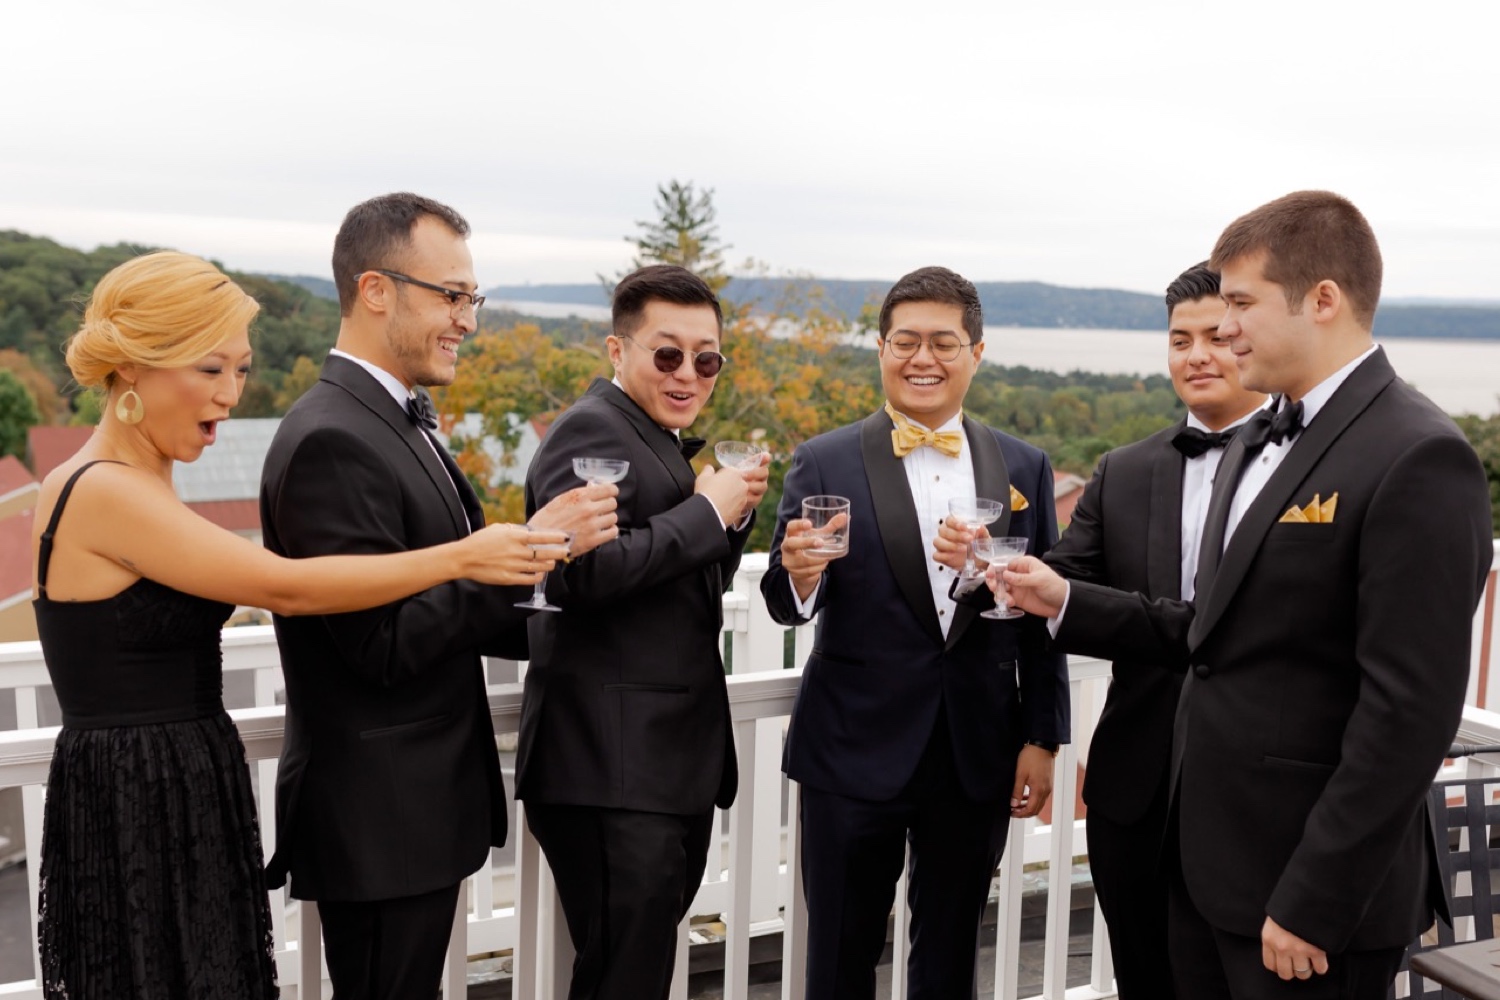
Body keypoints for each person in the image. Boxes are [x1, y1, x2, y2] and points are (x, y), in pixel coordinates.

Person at [30, 250, 578, 1000]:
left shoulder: (142, 477)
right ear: (133, 367)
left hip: (181, 775)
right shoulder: (102, 490)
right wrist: (462, 558)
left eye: (242, 371)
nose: (229, 395)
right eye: (209, 369)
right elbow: (283, 585)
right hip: (140, 790)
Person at [1000, 191, 1494, 999]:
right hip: (1203, 870)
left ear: (1324, 299)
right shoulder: (1263, 441)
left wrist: (1314, 901)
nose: (1223, 330)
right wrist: (1062, 600)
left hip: (1302, 896)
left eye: (1239, 303)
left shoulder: (1419, 455)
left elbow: (1408, 712)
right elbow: (1211, 633)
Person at [258, 193, 619, 1000]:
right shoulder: (329, 437)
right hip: (379, 813)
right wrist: (531, 556)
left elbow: (448, 588)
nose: (468, 318)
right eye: (452, 295)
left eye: (472, 298)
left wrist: (549, 569)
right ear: (376, 290)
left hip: (414, 809)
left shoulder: (390, 420)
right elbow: (379, 643)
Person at [760, 266, 1071, 999]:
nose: (922, 359)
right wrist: (801, 574)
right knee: (840, 956)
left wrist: (1042, 736)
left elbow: (1041, 620)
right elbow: (783, 596)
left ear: (977, 352)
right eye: (905, 342)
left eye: (943, 343)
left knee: (952, 952)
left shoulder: (1023, 464)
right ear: (880, 348)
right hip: (851, 751)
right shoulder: (824, 459)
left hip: (975, 752)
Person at [516, 263, 768, 1000]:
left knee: (637, 972)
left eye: (706, 358)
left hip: (655, 767)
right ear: (616, 352)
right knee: (623, 978)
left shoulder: (653, 433)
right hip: (610, 766)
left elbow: (686, 585)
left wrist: (732, 517)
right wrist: (706, 513)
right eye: (667, 354)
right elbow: (578, 577)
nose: (688, 372)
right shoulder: (593, 431)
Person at [1042, 262, 1266, 1000]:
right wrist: (983, 567)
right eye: (1179, 340)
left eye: (1214, 336)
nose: (1196, 354)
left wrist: (1065, 597)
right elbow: (1060, 579)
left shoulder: (1302, 463)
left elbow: (1232, 631)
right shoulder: (1123, 470)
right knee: (1145, 977)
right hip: (1134, 789)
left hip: (1251, 791)